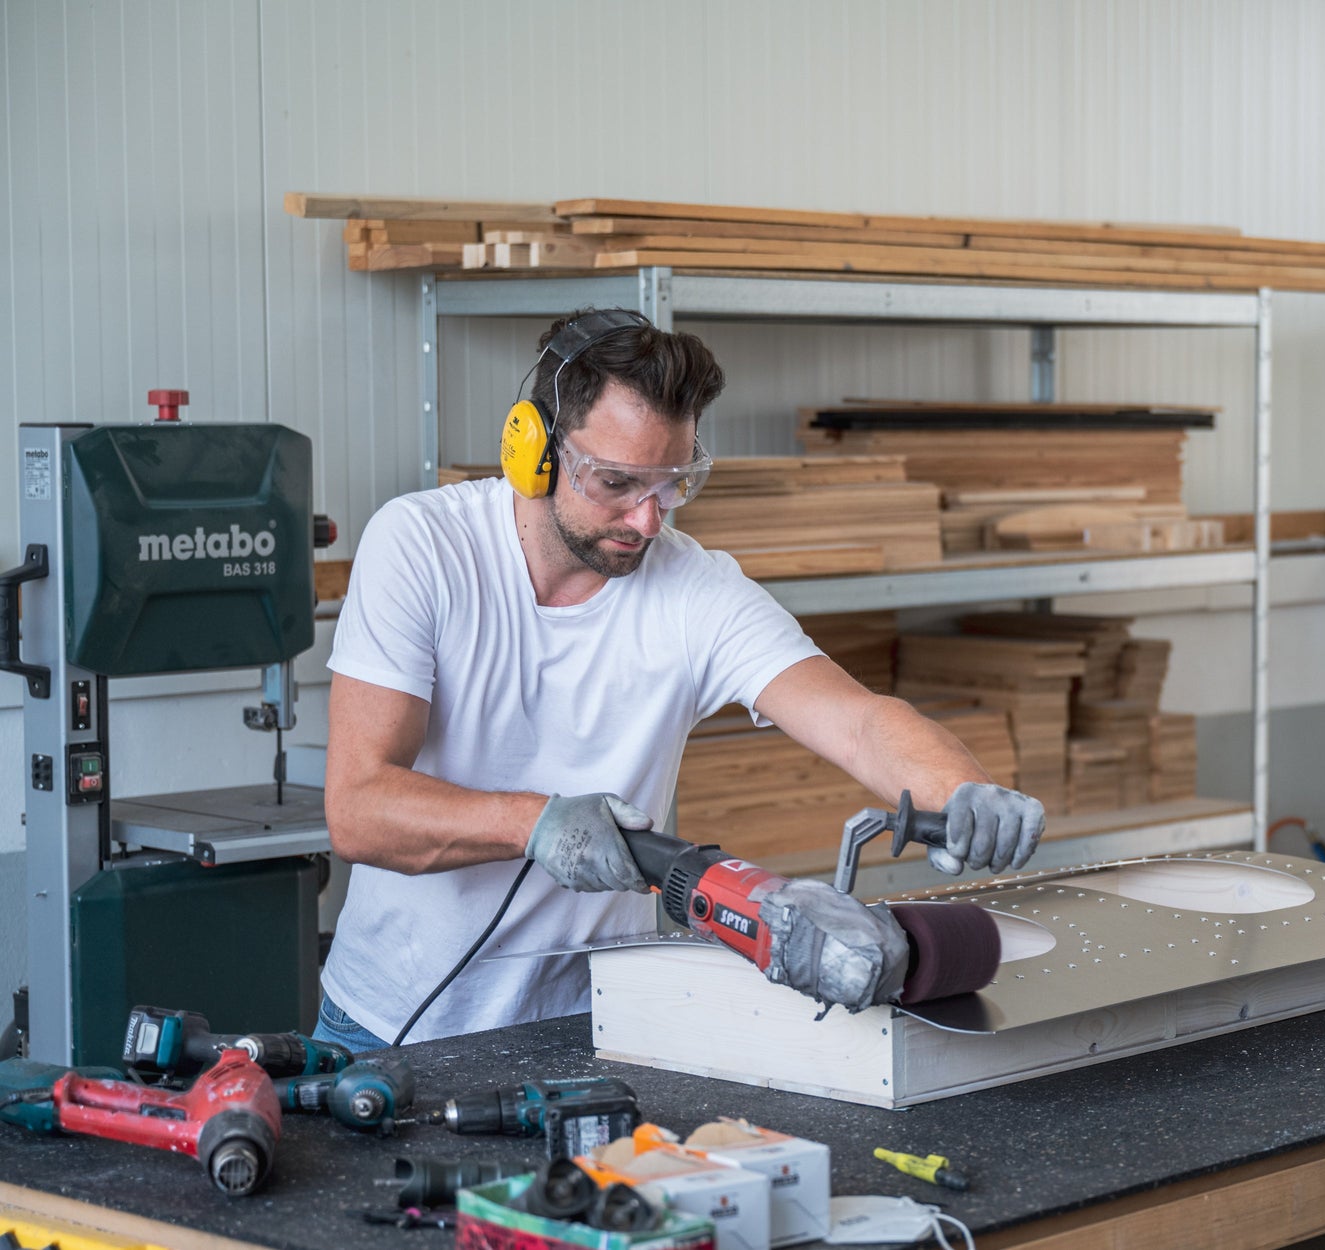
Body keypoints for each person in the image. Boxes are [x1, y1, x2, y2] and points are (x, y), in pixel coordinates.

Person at [315, 308, 1044, 1049]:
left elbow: (856, 721)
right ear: (533, 449)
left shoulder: (694, 589)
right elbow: (360, 806)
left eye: (673, 484)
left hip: (596, 1023)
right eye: (617, 482)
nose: (646, 521)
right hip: (390, 1024)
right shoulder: (422, 548)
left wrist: (960, 793)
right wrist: (536, 824)